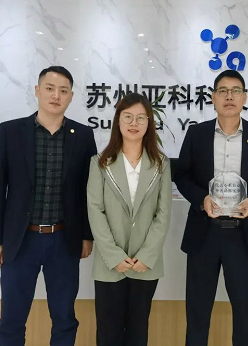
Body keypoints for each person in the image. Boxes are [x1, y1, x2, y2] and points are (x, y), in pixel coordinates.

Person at [0, 66, 97, 346]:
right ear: (37, 91)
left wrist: (86, 235)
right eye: (49, 88)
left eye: (63, 91)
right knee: (11, 318)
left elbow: (88, 191)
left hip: (64, 240)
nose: (56, 95)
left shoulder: (83, 135)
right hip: (20, 240)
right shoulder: (11, 131)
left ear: (71, 96)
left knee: (64, 317)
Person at [174, 70, 248, 346]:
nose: (229, 96)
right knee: (197, 313)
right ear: (213, 97)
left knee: (244, 314)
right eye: (222, 91)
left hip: (244, 235)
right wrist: (201, 199)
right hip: (204, 233)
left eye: (236, 91)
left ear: (245, 97)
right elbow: (182, 176)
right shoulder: (197, 134)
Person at [87, 93, 172, 346]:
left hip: (145, 263)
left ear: (149, 123)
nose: (134, 123)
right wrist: (113, 255)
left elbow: (163, 213)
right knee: (108, 331)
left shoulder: (161, 164)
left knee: (138, 330)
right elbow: (95, 211)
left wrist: (147, 255)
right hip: (109, 263)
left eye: (141, 118)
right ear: (118, 120)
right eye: (127, 117)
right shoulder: (100, 163)